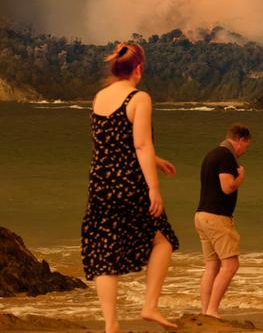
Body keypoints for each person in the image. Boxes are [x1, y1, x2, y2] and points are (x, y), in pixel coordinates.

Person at [81, 42, 180, 333]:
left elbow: (112, 141)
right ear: (138, 69)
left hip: (100, 183)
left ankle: (111, 325)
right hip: (129, 183)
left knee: (105, 254)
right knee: (162, 241)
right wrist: (154, 188)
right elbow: (140, 144)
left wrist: (156, 160)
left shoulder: (99, 97)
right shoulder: (139, 98)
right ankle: (150, 305)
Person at [194, 124, 251, 318]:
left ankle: (205, 311)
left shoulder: (211, 154)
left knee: (212, 266)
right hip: (217, 217)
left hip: (202, 215)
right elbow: (227, 187)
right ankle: (212, 310)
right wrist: (241, 177)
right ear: (241, 140)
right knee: (231, 265)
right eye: (246, 146)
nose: (244, 151)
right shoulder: (226, 156)